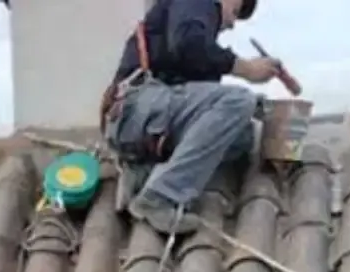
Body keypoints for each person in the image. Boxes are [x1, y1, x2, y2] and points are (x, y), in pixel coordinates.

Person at [101, 0, 281, 235]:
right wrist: (247, 69)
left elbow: (200, 102)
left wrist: (254, 109)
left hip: (141, 123)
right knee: (238, 100)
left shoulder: (186, 24)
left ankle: (143, 175)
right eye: (235, 13)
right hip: (136, 106)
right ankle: (161, 196)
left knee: (242, 136)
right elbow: (188, 45)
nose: (230, 25)